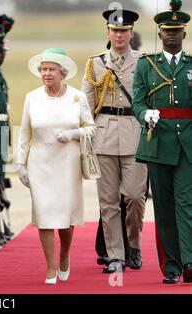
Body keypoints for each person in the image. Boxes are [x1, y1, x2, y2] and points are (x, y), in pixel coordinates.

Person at [16, 48, 96, 284]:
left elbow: (91, 127)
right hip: (40, 162)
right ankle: (51, 267)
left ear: (62, 73)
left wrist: (74, 133)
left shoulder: (77, 97)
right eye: (43, 69)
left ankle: (64, 255)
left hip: (68, 163)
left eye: (51, 69)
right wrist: (20, 163)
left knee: (66, 218)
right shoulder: (32, 97)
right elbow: (24, 134)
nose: (46, 73)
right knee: (44, 215)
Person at [81, 9, 148, 273]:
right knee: (108, 201)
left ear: (131, 34)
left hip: (135, 134)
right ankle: (115, 256)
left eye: (124, 31)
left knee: (134, 197)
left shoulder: (144, 62)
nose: (119, 35)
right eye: (115, 30)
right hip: (104, 135)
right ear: (108, 33)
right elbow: (87, 106)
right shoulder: (94, 64)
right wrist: (87, 138)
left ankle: (135, 245)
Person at [132, 1, 192, 284]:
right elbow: (138, 102)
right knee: (164, 207)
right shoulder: (146, 65)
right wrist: (146, 116)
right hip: (157, 145)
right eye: (167, 31)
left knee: (186, 203)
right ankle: (171, 267)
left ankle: (190, 261)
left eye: (177, 31)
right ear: (159, 34)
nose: (172, 35)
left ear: (184, 34)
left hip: (187, 147)